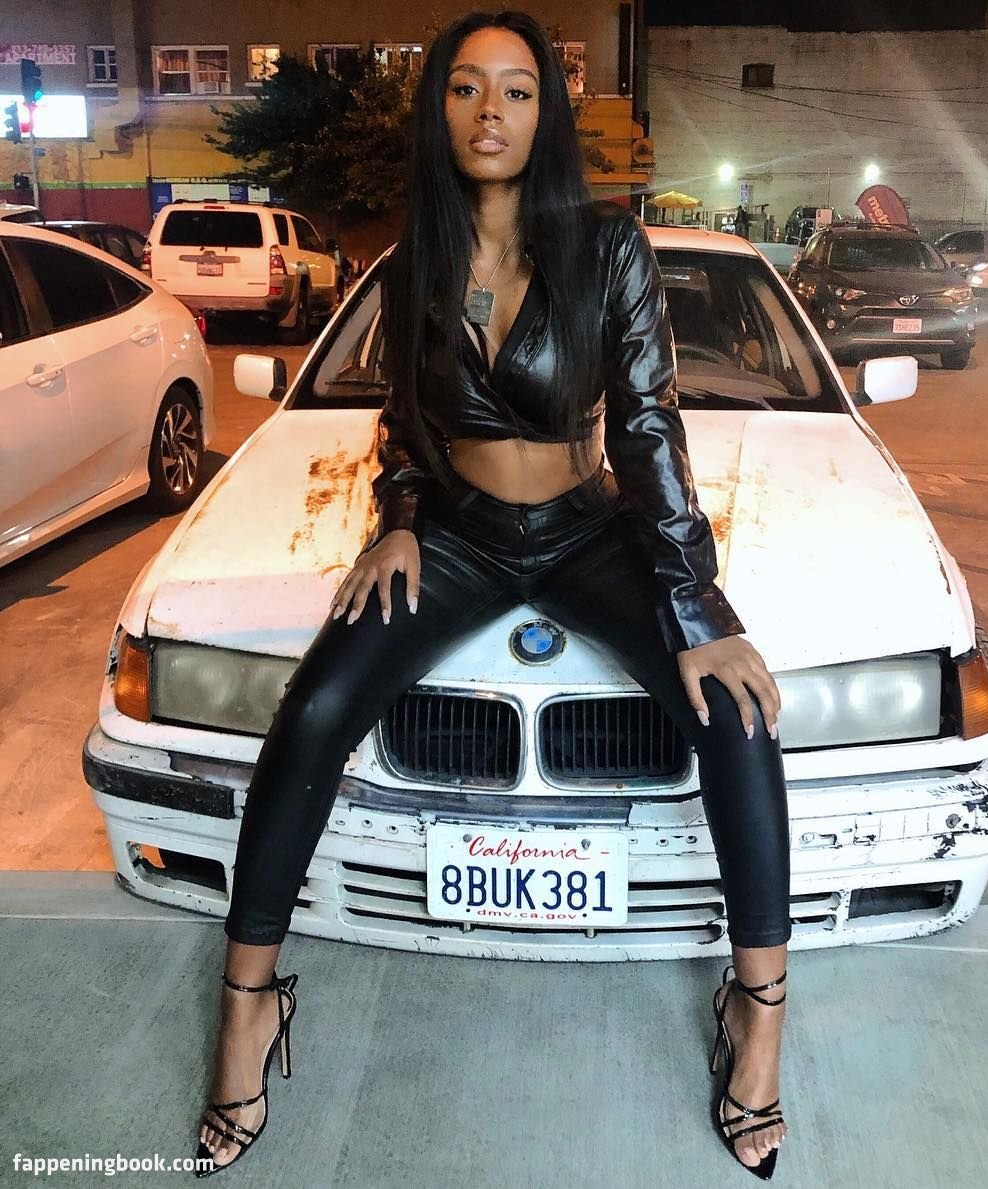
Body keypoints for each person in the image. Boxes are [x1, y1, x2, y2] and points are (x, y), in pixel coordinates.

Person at [195, 9, 791, 1180]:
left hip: (586, 531)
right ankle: (248, 1003)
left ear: (546, 114)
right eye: (466, 88)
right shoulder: (417, 254)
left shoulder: (608, 248)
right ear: (441, 108)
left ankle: (758, 1008)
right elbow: (405, 422)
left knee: (735, 716)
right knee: (313, 708)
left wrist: (697, 609)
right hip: (460, 536)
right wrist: (399, 519)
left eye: (517, 91)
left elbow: (649, 425)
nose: (490, 112)